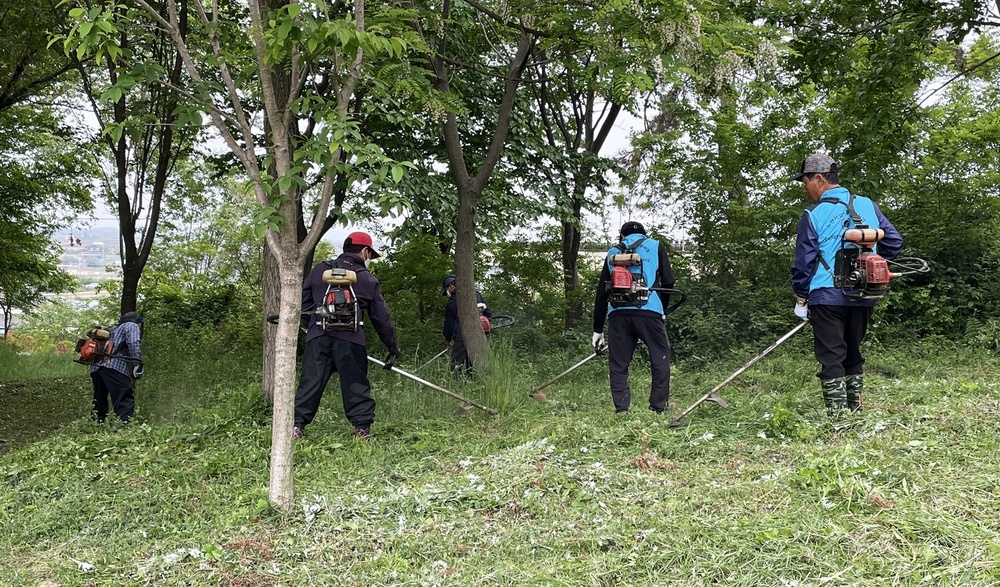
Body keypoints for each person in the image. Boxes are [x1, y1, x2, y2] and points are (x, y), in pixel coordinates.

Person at [790, 152, 903, 418]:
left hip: (826, 297)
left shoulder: (813, 214)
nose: (805, 189)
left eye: (805, 181)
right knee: (853, 352)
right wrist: (870, 265)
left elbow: (803, 263)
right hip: (864, 292)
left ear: (818, 178)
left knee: (831, 356)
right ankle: (855, 411)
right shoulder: (867, 205)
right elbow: (895, 242)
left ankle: (839, 420)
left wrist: (801, 298)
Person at [294, 231, 400, 440]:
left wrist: (314, 327)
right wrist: (392, 345)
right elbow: (381, 318)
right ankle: (362, 431)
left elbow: (304, 305)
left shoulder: (318, 271)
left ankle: (296, 428)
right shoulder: (367, 279)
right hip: (351, 341)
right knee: (356, 385)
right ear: (364, 251)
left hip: (318, 339)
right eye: (369, 254)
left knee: (310, 383)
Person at [593, 221, 675, 413]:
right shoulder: (655, 246)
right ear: (644, 235)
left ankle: (622, 409)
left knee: (618, 364)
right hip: (650, 312)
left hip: (618, 314)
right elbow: (669, 281)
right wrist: (662, 308)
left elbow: (602, 293)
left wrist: (597, 329)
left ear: (622, 235)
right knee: (660, 358)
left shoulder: (613, 252)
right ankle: (658, 407)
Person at [90, 311, 144, 423]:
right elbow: (133, 344)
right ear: (138, 322)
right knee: (124, 396)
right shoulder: (132, 326)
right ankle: (124, 425)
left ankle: (97, 424)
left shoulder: (111, 329)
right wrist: (137, 363)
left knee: (99, 398)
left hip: (96, 368)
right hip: (113, 366)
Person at [441, 275, 492, 375]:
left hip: (463, 334)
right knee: (475, 359)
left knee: (456, 362)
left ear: (451, 286)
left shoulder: (453, 302)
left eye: (447, 288)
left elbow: (449, 323)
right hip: (480, 332)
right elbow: (488, 313)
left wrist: (447, 339)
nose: (447, 291)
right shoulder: (476, 294)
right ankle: (476, 381)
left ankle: (454, 383)